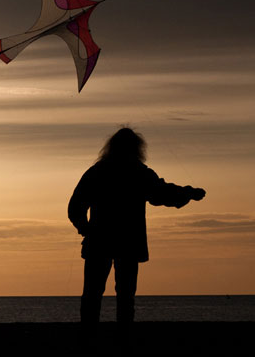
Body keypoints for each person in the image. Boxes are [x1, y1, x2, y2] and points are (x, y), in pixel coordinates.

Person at [68, 127, 205, 325]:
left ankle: (91, 337)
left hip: (103, 241)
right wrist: (188, 193)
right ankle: (120, 338)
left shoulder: (99, 172)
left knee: (95, 293)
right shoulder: (137, 172)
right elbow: (161, 193)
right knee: (122, 295)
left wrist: (86, 229)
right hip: (125, 242)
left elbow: (76, 206)